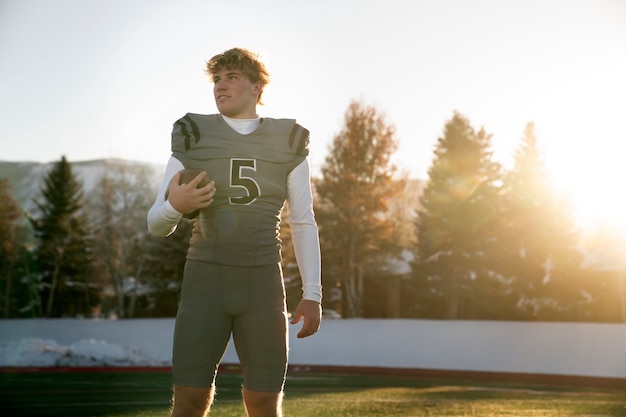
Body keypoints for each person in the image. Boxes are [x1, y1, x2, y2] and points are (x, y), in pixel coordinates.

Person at [147, 47, 322, 417]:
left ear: (257, 87)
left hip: (262, 283)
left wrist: (313, 293)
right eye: (217, 79)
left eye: (231, 78)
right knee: (189, 401)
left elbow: (303, 220)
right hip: (204, 279)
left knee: (263, 404)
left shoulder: (288, 139)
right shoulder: (194, 134)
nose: (220, 86)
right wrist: (175, 207)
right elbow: (155, 224)